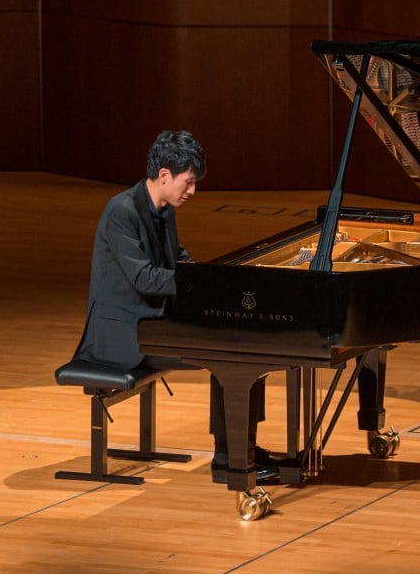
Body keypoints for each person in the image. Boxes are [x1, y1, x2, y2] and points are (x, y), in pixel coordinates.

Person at [72, 130, 276, 483]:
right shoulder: (121, 212)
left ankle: (241, 448)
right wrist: (198, 287)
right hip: (122, 334)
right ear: (164, 175)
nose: (193, 191)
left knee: (245, 343)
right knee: (226, 352)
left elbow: (177, 260)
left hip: (152, 321)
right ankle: (229, 456)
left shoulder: (163, 209)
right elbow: (145, 279)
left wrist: (204, 280)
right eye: (189, 182)